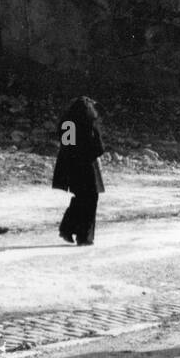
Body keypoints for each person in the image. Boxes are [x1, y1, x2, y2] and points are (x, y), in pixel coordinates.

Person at [52, 96, 105, 246]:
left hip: (69, 167)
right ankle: (83, 236)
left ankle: (67, 228)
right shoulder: (88, 123)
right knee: (90, 199)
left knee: (80, 198)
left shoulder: (66, 123)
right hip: (86, 167)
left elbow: (67, 147)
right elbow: (98, 148)